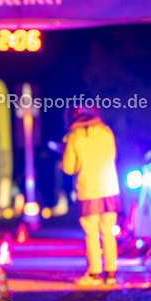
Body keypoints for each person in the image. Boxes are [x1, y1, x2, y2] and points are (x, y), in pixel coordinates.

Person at [61, 105, 121, 288]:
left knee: (91, 234)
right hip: (110, 188)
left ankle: (94, 273)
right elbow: (113, 155)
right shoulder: (106, 132)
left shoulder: (74, 137)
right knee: (108, 232)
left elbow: (69, 168)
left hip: (88, 190)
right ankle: (111, 273)